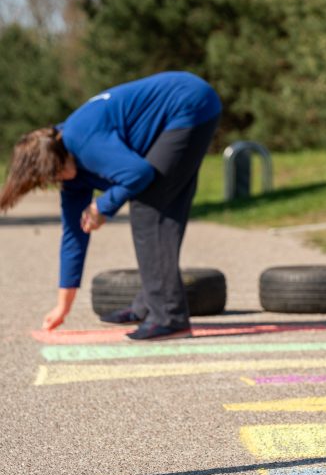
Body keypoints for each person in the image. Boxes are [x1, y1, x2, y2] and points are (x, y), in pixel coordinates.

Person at [0, 71, 221, 341]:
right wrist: (63, 306)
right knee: (156, 207)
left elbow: (139, 174)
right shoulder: (68, 168)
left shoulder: (82, 141)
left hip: (188, 104)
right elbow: (73, 234)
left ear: (59, 156)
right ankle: (150, 305)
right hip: (180, 108)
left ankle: (169, 317)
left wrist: (102, 206)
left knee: (148, 208)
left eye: (55, 175)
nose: (57, 182)